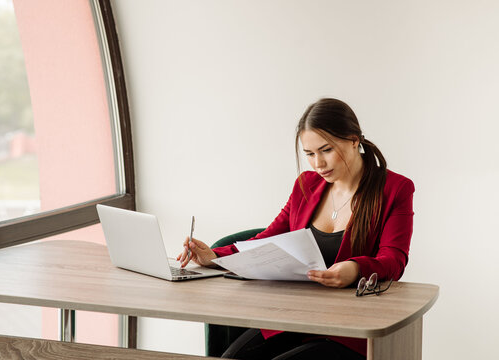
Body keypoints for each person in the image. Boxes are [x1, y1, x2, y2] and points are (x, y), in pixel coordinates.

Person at [177, 98, 414, 360]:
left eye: (326, 150)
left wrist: (355, 269)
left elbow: (394, 260)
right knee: (230, 358)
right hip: (297, 317)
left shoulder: (395, 189)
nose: (318, 164)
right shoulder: (306, 185)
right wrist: (215, 256)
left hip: (350, 328)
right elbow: (266, 239)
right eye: (310, 154)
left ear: (354, 140)